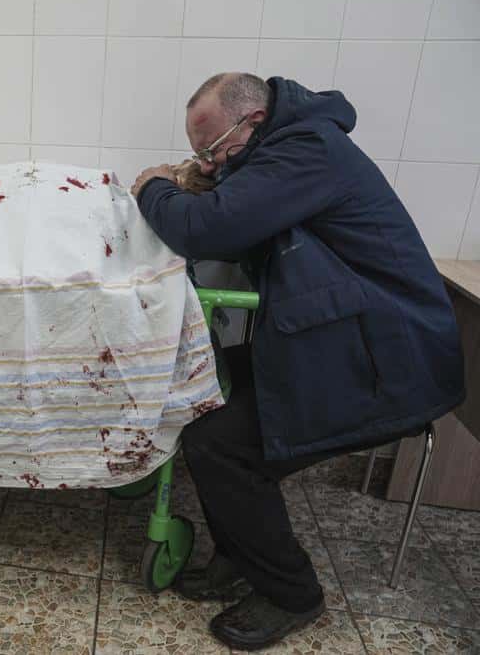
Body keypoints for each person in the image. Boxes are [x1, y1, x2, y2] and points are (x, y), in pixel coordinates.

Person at [131, 73, 465, 651]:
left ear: (254, 121)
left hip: (387, 362)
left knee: (222, 445)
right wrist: (205, 185)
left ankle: (291, 594)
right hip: (350, 339)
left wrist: (154, 189)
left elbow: (207, 231)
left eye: (213, 150)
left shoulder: (307, 150)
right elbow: (237, 228)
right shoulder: (288, 149)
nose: (208, 164)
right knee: (203, 388)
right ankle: (240, 556)